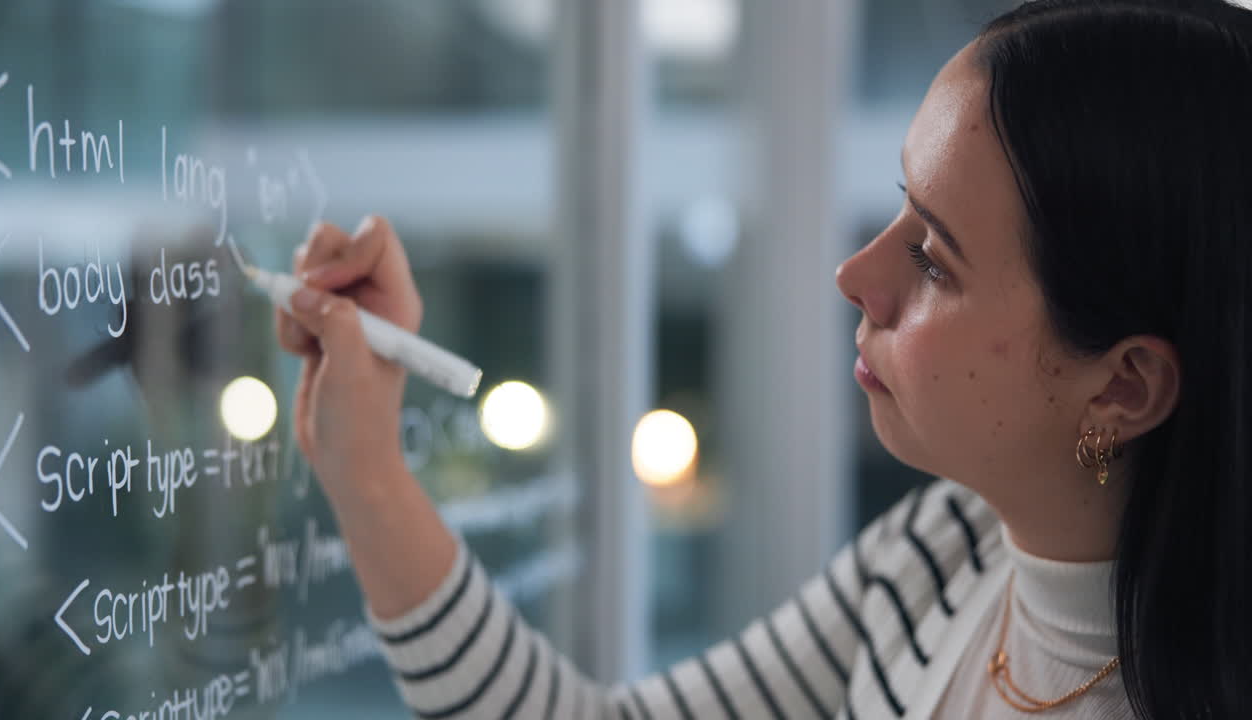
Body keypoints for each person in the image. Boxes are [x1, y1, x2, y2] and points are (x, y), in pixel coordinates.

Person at [272, 0, 1252, 717]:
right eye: (897, 206)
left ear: (1122, 385)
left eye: (932, 259)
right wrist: (362, 460)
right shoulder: (944, 551)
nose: (853, 274)